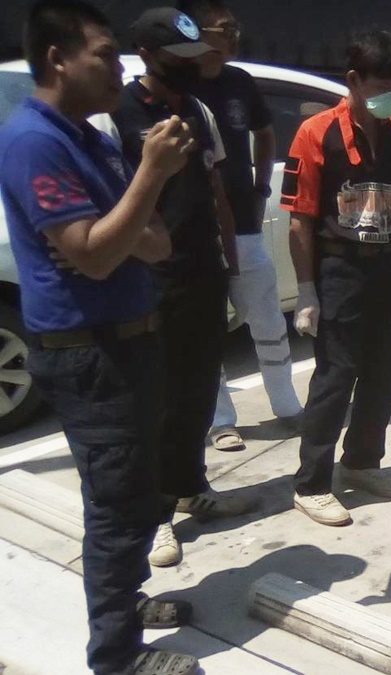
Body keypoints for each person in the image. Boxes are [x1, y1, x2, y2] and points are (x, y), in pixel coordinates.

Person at [0, 2, 200, 672]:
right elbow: (94, 254)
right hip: (91, 354)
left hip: (130, 342)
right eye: (106, 54)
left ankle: (124, 601)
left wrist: (114, 230)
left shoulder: (91, 138)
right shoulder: (34, 140)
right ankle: (116, 656)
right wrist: (150, 177)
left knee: (136, 495)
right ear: (58, 59)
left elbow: (154, 242)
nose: (120, 69)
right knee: (117, 505)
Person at [94, 6, 256, 568]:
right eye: (178, 58)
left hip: (201, 271)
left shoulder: (199, 111)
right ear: (146, 55)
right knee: (154, 401)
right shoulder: (115, 115)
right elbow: (108, 204)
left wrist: (230, 263)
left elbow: (216, 190)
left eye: (195, 56)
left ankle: (190, 487)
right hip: (145, 281)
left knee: (197, 390)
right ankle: (155, 514)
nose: (191, 66)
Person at [282, 30, 391, 527]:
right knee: (335, 376)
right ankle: (311, 484)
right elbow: (300, 220)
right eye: (381, 86)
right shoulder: (316, 134)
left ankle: (362, 462)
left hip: (389, 268)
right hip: (340, 270)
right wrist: (307, 289)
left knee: (384, 373)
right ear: (353, 80)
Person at [182, 0, 304, 452]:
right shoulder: (181, 87)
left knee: (267, 318)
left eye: (234, 29)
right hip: (196, 231)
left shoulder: (239, 82)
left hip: (245, 225)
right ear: (197, 34)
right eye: (223, 29)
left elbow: (265, 133)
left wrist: (260, 184)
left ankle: (287, 405)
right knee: (207, 327)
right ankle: (221, 421)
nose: (232, 36)